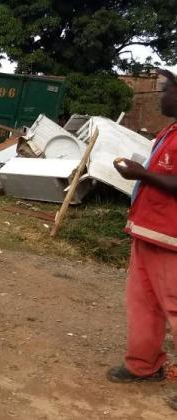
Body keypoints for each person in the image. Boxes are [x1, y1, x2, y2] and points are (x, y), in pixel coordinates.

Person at [108, 68, 177, 411]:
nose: (159, 95)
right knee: (142, 305)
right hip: (147, 231)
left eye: (165, 89)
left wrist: (140, 174)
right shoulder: (171, 132)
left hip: (172, 240)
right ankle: (144, 366)